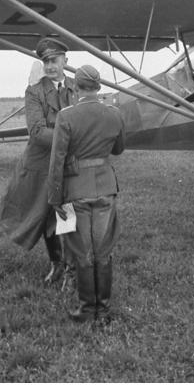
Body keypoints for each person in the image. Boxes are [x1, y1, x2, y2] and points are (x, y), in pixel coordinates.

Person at [47, 65, 125, 323]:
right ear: (99, 87)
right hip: (105, 187)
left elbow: (57, 160)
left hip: (75, 190)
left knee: (80, 250)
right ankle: (103, 310)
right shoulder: (114, 113)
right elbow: (118, 150)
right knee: (103, 250)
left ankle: (86, 308)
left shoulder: (66, 116)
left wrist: (54, 197)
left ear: (76, 88)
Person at [0, 37, 77, 286]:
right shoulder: (34, 91)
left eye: (55, 60)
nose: (51, 66)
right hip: (43, 163)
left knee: (69, 214)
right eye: (46, 61)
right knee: (44, 216)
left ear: (66, 60)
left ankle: (72, 270)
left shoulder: (77, 87)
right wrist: (71, 140)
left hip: (70, 163)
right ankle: (57, 264)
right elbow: (36, 130)